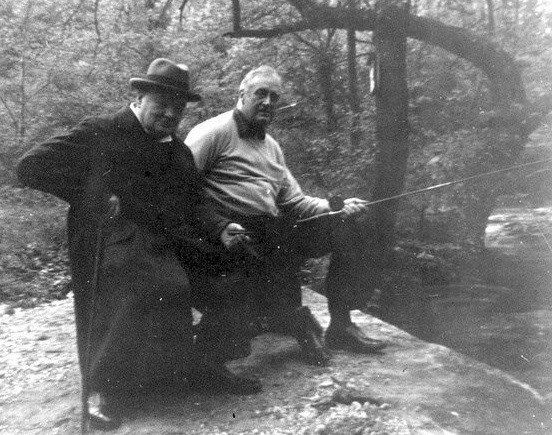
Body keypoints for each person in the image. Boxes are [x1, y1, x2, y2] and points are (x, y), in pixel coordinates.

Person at [16, 58, 260, 432]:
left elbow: (196, 202)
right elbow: (31, 166)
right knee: (154, 282)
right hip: (110, 238)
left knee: (237, 267)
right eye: (161, 102)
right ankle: (108, 390)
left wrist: (223, 227)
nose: (170, 113)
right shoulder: (102, 131)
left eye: (178, 107)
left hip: (165, 240)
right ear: (140, 95)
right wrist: (93, 195)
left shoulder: (177, 151)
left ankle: (202, 364)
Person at [184, 65, 387, 369]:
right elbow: (182, 188)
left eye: (274, 97)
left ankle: (341, 326)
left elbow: (294, 201)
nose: (267, 102)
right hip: (230, 232)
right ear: (242, 93)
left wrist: (337, 207)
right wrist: (216, 227)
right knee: (264, 290)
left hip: (273, 230)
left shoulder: (272, 147)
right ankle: (286, 321)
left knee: (346, 226)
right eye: (260, 94)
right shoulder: (212, 132)